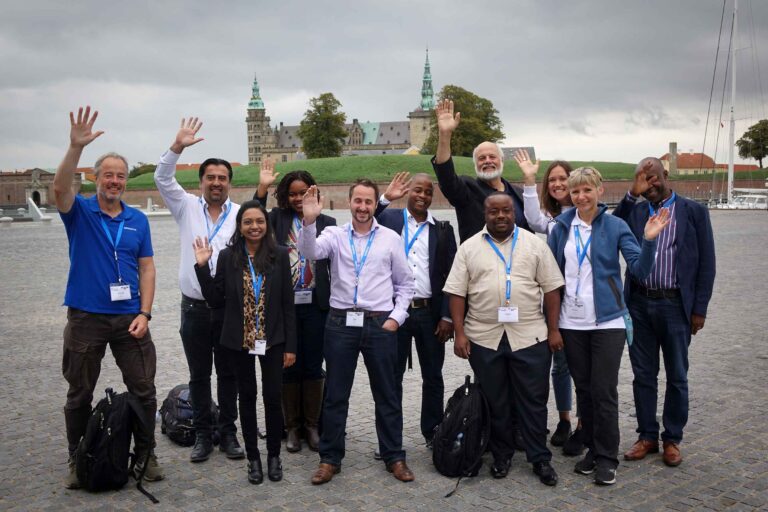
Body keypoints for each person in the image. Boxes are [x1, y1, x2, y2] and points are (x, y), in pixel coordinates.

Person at [53, 106, 163, 488]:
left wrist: (145, 313)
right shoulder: (80, 212)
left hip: (130, 317)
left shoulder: (137, 220)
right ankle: (77, 456)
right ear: (96, 178)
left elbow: (147, 268)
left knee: (144, 388)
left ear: (125, 182)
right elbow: (59, 189)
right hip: (86, 317)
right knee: (79, 392)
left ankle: (146, 454)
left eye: (120, 176)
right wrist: (75, 147)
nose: (114, 181)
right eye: (108, 175)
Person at [547, 167, 670, 486]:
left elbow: (640, 270)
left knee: (603, 390)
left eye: (587, 190)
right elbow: (551, 275)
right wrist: (552, 323)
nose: (581, 196)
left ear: (599, 191)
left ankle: (607, 457)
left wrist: (649, 241)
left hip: (608, 321)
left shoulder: (615, 225)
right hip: (571, 322)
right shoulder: (561, 226)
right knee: (584, 390)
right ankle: (592, 448)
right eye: (575, 191)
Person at [297, 179, 416, 485]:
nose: (363, 207)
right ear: (349, 202)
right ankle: (329, 459)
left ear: (376, 204)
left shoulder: (390, 238)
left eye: (368, 202)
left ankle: (394, 456)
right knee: (336, 395)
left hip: (379, 323)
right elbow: (309, 251)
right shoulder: (334, 235)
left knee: (387, 394)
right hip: (340, 324)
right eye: (358, 201)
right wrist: (308, 221)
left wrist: (396, 318)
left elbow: (406, 284)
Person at [443, 192, 565, 487]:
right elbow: (457, 293)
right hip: (484, 337)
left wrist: (553, 330)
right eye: (494, 211)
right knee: (495, 401)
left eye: (506, 211)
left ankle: (539, 457)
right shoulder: (469, 248)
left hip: (530, 336)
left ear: (514, 212)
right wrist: (460, 333)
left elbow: (551, 289)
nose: (500, 216)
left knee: (534, 401)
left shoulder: (534, 244)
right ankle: (501, 455)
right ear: (485, 214)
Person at [616, 158, 716, 467]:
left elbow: (707, 263)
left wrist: (699, 309)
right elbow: (608, 226)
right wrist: (632, 194)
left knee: (677, 375)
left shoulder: (693, 212)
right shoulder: (635, 212)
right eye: (643, 179)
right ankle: (647, 435)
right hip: (639, 304)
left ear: (666, 175)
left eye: (654, 177)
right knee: (643, 375)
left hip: (675, 305)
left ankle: (672, 438)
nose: (650, 184)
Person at [153, 118, 243, 462]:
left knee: (229, 374)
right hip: (194, 308)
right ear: (201, 181)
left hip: (229, 309)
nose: (216, 183)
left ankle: (229, 432)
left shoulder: (240, 215)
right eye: (210, 177)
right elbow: (162, 178)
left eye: (222, 178)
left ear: (229, 183)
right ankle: (204, 434)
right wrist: (177, 146)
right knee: (199, 375)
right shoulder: (186, 206)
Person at [193, 200, 297, 484]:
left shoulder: (279, 254)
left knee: (273, 397)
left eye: (259, 221)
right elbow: (215, 299)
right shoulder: (228, 257)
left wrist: (291, 346)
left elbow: (288, 304)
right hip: (240, 341)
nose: (254, 227)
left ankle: (273, 456)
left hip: (273, 340)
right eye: (248, 222)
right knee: (247, 398)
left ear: (267, 225)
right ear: (239, 227)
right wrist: (202, 267)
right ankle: (253, 459)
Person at [254, 162, 336, 452]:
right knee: (287, 363)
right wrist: (262, 188)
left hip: (316, 303)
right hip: (284, 305)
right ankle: (291, 427)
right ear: (285, 196)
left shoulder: (327, 222)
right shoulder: (277, 219)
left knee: (312, 364)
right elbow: (253, 217)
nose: (298, 198)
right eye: (292, 193)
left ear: (313, 192)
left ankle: (312, 425)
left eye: (303, 193)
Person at [374, 171, 458, 449]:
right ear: (408, 192)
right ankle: (390, 439)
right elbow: (364, 216)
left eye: (428, 192)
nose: (422, 196)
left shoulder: (442, 230)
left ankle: (433, 432)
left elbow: (452, 276)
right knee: (391, 377)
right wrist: (386, 198)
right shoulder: (389, 220)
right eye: (417, 190)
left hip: (429, 313)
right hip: (394, 312)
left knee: (433, 376)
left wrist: (447, 315)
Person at [515, 151, 583, 454]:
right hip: (557, 299)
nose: (557, 184)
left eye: (563, 178)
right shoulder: (552, 219)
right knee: (560, 365)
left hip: (586, 301)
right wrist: (529, 180)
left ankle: (583, 424)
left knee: (583, 368)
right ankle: (564, 419)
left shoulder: (587, 213)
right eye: (552, 180)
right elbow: (532, 218)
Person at [431, 99, 531, 243]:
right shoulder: (467, 190)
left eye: (492, 157)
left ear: (502, 161)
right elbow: (446, 177)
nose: (487, 161)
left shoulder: (520, 194)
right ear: (475, 164)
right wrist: (445, 134)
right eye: (482, 158)